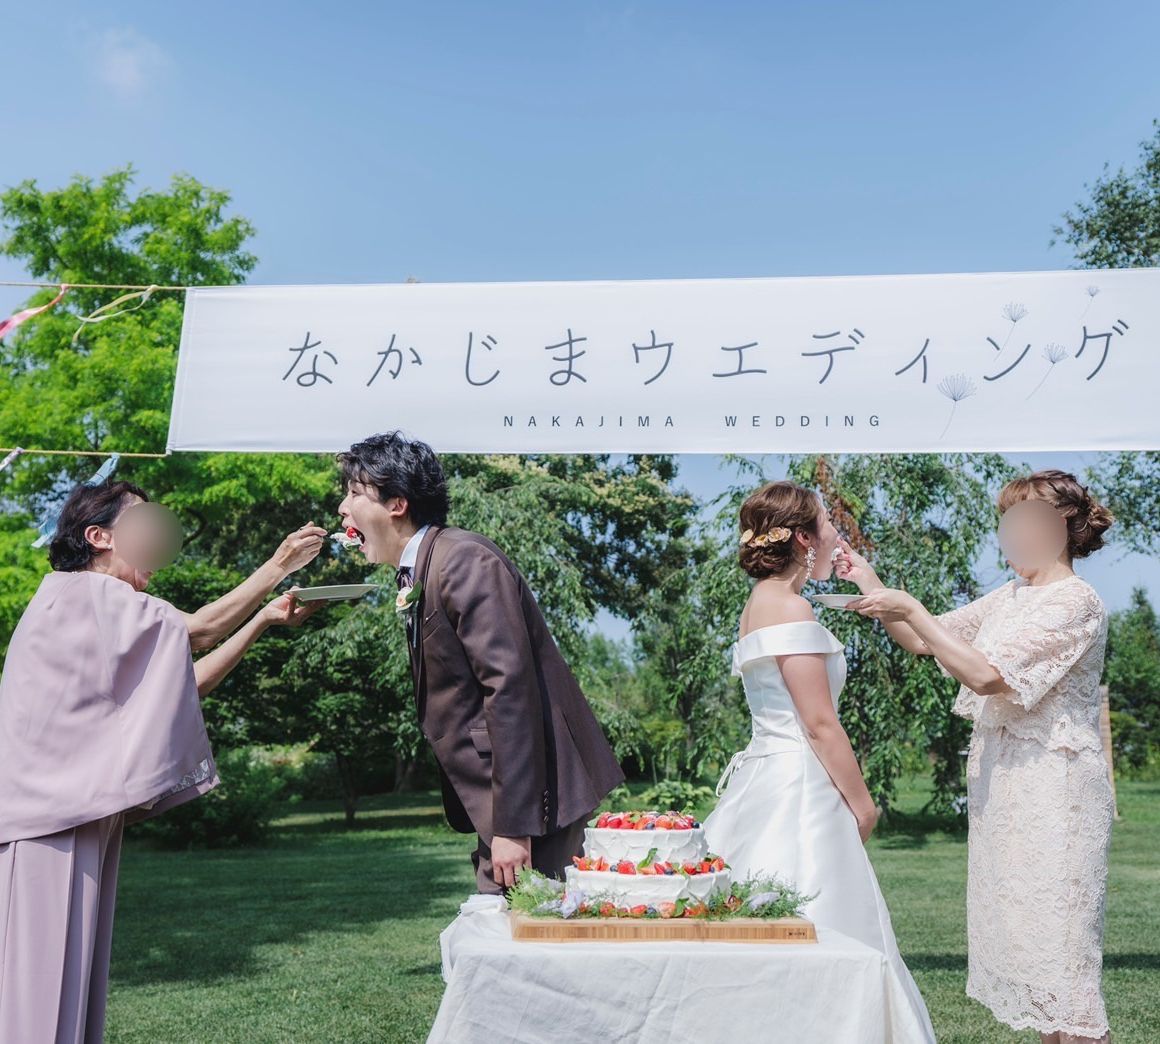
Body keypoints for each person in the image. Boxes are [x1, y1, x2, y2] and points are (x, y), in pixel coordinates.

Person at [0, 480, 323, 1043]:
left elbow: (187, 682)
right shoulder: (86, 591)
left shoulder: (92, 607)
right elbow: (198, 630)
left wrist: (263, 620)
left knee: (68, 985)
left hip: (70, 816)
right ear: (99, 537)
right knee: (38, 992)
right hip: (44, 826)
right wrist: (279, 564)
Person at [841, 469, 1115, 1044]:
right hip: (1005, 790)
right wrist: (870, 581)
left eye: (1024, 520)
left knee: (1065, 967)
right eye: (1007, 521)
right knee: (1036, 963)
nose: (1011, 533)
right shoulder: (1012, 595)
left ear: (1061, 527)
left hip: (1057, 792)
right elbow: (924, 639)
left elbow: (987, 676)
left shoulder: (1076, 601)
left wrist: (911, 607)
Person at [336, 431, 624, 893]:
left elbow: (509, 691)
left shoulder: (462, 561)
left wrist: (513, 825)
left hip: (537, 803)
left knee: (523, 929)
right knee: (508, 926)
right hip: (502, 799)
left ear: (397, 504)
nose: (343, 508)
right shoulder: (426, 566)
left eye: (354, 493)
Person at [703, 480, 935, 1043]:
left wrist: (865, 581)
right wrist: (864, 805)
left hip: (762, 778)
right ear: (805, 538)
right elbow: (820, 725)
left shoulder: (760, 602)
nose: (838, 534)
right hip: (800, 787)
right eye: (829, 524)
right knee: (823, 923)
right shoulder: (792, 606)